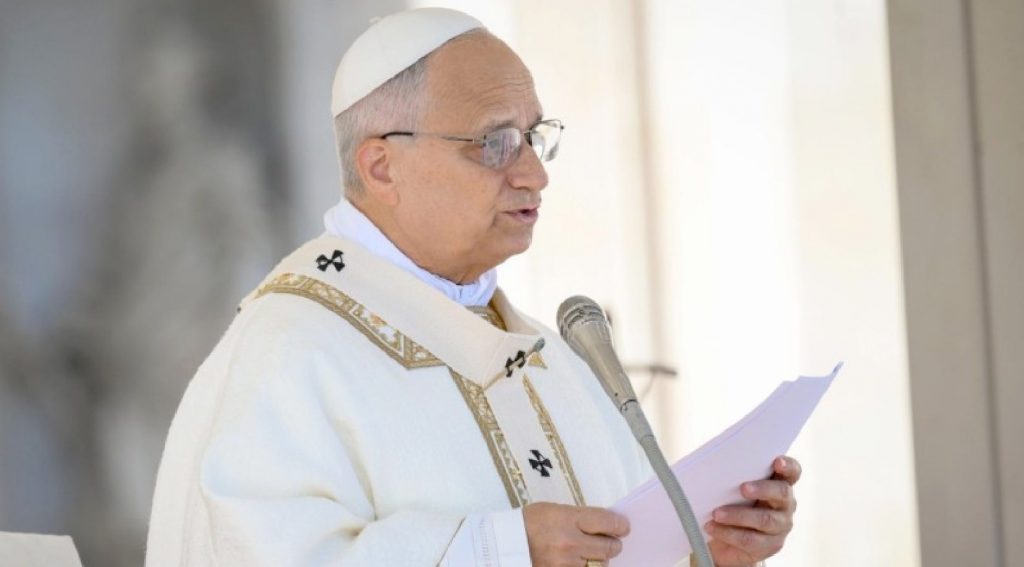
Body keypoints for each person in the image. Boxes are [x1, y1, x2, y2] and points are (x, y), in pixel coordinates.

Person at [146, 8, 800, 567]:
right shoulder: (289, 351)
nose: (535, 174)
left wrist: (704, 547)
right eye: (495, 142)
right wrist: (500, 548)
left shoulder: (550, 358)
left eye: (534, 136)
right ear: (382, 166)